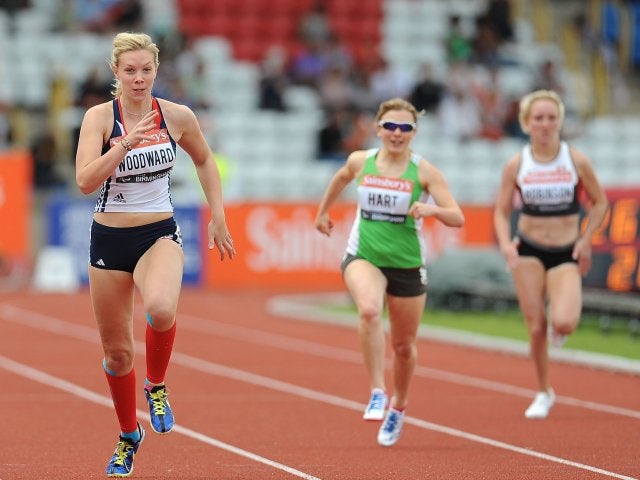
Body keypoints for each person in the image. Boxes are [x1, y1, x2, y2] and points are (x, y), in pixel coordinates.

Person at [75, 32, 235, 477]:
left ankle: (157, 385)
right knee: (117, 355)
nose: (139, 78)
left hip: (158, 233)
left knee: (162, 308)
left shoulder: (177, 116)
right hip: (108, 241)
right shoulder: (99, 118)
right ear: (116, 73)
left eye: (146, 70)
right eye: (130, 71)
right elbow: (85, 182)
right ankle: (129, 436)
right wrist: (124, 144)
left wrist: (217, 215)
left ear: (156, 70)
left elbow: (204, 160)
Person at [314, 98, 465, 447]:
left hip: (407, 264)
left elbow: (457, 216)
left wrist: (430, 208)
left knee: (404, 346)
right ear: (379, 128)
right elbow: (340, 178)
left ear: (414, 133)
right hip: (364, 255)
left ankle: (399, 405)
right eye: (391, 127)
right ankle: (377, 391)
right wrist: (323, 212)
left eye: (405, 128)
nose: (397, 134)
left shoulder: (424, 171)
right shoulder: (361, 161)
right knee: (368, 310)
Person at [493, 90, 608, 420]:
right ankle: (543, 391)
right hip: (528, 249)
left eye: (551, 118)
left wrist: (586, 240)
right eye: (538, 119)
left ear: (560, 121)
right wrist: (504, 243)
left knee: (564, 322)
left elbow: (599, 202)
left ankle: (562, 327)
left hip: (565, 250)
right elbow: (500, 212)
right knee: (535, 327)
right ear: (527, 124)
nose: (545, 124)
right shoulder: (517, 164)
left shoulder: (575, 160)